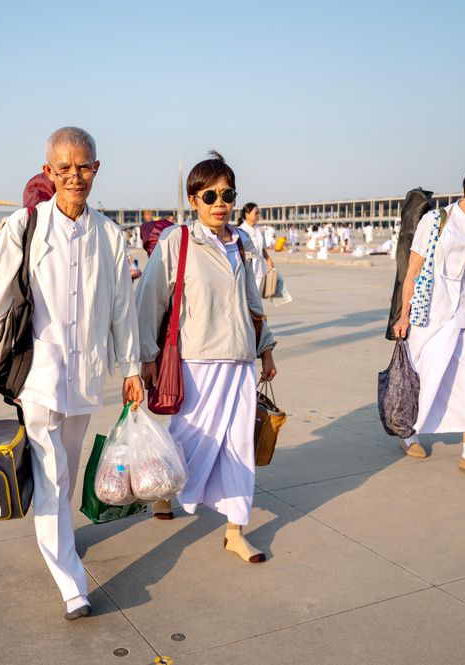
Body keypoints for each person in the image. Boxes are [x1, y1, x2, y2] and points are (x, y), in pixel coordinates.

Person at [0, 127, 142, 621]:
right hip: (38, 373)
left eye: (83, 167)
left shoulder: (109, 235)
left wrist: (131, 368)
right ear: (48, 172)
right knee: (53, 473)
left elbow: (123, 308)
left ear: (96, 170)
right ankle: (70, 583)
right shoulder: (25, 226)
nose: (74, 177)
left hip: (86, 376)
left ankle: (58, 535)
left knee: (68, 466)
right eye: (64, 169)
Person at [136, 151, 277, 563]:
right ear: (193, 199)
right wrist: (146, 356)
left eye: (227, 194)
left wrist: (265, 347)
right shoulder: (178, 241)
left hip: (240, 361)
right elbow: (150, 300)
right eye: (210, 194)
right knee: (190, 441)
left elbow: (252, 302)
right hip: (196, 362)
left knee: (238, 448)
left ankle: (235, 530)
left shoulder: (243, 242)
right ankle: (160, 489)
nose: (220, 203)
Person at [393, 162, 465, 476]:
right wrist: (404, 315)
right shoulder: (436, 221)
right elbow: (413, 271)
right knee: (422, 375)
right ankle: (407, 432)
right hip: (431, 312)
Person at [237, 202, 274, 293]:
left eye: (259, 213)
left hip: (260, 270)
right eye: (256, 213)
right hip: (246, 271)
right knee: (248, 300)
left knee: (257, 300)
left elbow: (262, 248)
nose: (258, 215)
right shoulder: (240, 230)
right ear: (247, 214)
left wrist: (268, 259)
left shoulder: (260, 229)